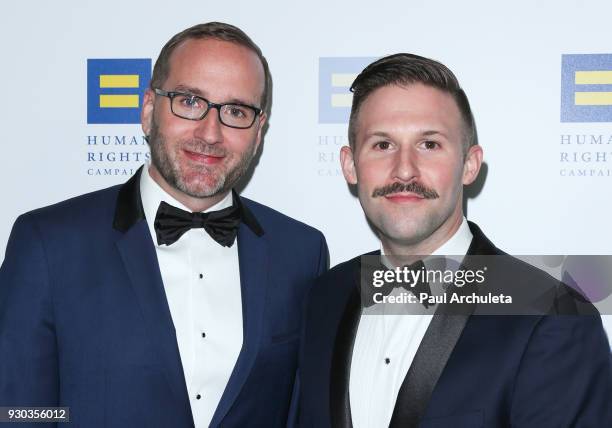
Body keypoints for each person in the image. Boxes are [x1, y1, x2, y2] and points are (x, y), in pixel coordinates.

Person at [0, 22, 327, 428]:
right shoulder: (48, 243)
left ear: (259, 133)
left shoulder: (301, 252)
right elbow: (18, 412)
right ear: (149, 109)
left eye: (236, 111)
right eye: (190, 101)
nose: (211, 133)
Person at [297, 53, 612, 427]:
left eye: (429, 144)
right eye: (382, 145)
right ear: (350, 165)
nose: (404, 169)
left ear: (469, 165)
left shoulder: (553, 317)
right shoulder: (325, 296)